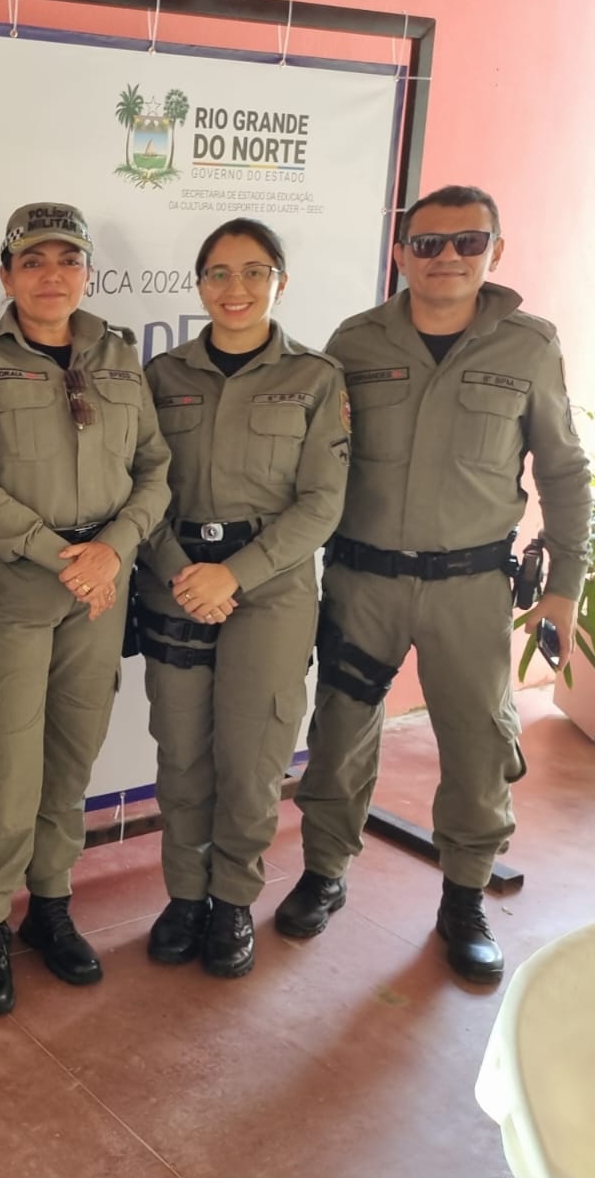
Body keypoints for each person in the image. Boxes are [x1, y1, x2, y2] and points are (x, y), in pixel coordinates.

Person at [279, 185, 591, 984]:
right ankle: (324, 872)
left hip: (470, 587)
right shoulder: (356, 341)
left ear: (496, 251)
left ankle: (464, 897)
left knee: (478, 743)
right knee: (341, 730)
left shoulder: (528, 346)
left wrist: (564, 584)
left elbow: (562, 470)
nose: (447, 256)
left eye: (467, 241)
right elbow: (317, 460)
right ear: (401, 253)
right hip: (364, 581)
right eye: (428, 243)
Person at [0, 203, 171, 1015]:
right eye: (33, 261)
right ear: (6, 274)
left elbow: (156, 469)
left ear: (88, 272)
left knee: (72, 758)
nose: (51, 275)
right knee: (6, 771)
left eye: (67, 260)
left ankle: (51, 905)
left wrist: (114, 549)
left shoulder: (120, 357)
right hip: (17, 586)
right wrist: (61, 555)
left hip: (102, 588)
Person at [138, 219, 348, 979]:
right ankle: (185, 897)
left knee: (253, 756)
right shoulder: (160, 377)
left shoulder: (316, 378)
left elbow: (322, 504)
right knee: (182, 754)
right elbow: (139, 487)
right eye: (219, 273)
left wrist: (235, 574)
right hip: (177, 582)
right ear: (199, 285)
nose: (236, 289)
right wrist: (180, 570)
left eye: (254, 272)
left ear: (279, 282)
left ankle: (232, 900)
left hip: (271, 590)